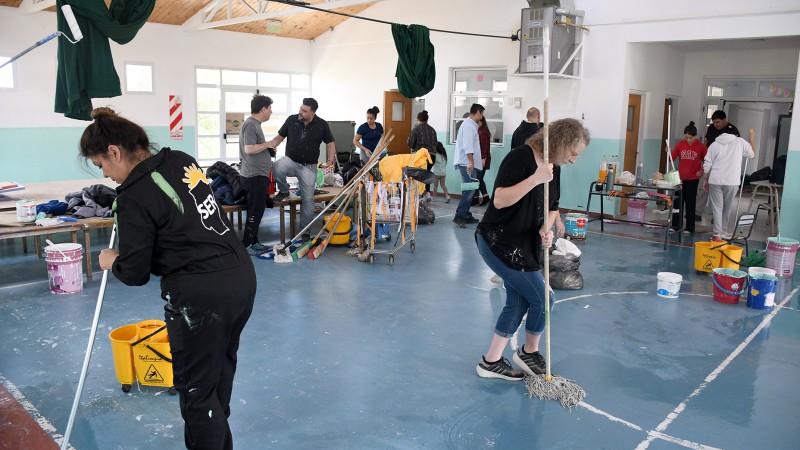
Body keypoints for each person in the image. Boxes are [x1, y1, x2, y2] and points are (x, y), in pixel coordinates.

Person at [83, 107, 256, 449]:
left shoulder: (133, 195)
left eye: (102, 165)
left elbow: (134, 273)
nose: (106, 174)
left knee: (196, 391)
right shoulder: (180, 158)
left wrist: (112, 260)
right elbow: (186, 222)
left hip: (200, 296)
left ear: (114, 152)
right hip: (240, 278)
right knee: (218, 375)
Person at [475, 118, 590, 381]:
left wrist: (546, 229)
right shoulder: (520, 158)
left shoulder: (554, 168)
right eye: (572, 154)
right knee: (543, 299)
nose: (573, 161)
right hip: (498, 240)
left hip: (525, 244)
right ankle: (528, 352)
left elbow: (552, 208)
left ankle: (491, 362)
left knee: (517, 301)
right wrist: (536, 179)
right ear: (559, 143)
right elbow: (500, 200)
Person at [268, 98, 336, 241]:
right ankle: (284, 190)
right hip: (291, 161)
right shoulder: (292, 120)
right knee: (277, 166)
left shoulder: (322, 124)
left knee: (308, 200)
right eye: (300, 108)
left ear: (312, 113)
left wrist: (331, 159)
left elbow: (330, 143)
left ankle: (305, 231)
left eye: (304, 111)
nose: (301, 111)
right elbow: (279, 137)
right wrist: (270, 145)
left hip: (309, 167)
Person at [703, 127, 756, 238]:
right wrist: (752, 139)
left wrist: (705, 179)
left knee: (717, 206)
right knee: (727, 206)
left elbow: (707, 163)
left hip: (715, 179)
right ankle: (724, 229)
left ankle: (717, 232)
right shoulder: (740, 141)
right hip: (732, 181)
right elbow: (752, 155)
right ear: (735, 134)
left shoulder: (714, 144)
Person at [239, 94, 274, 256]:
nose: (271, 112)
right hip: (254, 176)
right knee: (254, 211)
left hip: (258, 175)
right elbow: (249, 149)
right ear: (263, 109)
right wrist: (268, 144)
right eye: (270, 108)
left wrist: (267, 150)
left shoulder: (255, 125)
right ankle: (247, 244)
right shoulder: (251, 125)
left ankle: (254, 241)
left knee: (258, 210)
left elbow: (255, 147)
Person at [696, 110, 740, 221]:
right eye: (714, 122)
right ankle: (697, 212)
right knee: (703, 188)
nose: (716, 125)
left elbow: (736, 148)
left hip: (724, 166)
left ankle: (718, 217)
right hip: (710, 162)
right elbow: (706, 141)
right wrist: (703, 156)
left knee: (720, 193)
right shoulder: (711, 128)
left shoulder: (732, 131)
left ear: (724, 120)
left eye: (718, 122)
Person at [669, 121, 707, 235]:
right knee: (677, 202)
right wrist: (668, 152)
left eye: (690, 138)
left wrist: (702, 171)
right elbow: (672, 157)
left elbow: (708, 161)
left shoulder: (701, 147)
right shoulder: (680, 144)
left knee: (690, 203)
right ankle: (676, 225)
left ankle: (690, 227)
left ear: (695, 136)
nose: (688, 140)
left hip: (693, 178)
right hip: (679, 178)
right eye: (686, 137)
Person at [453, 103, 484, 227]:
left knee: (471, 189)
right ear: (477, 112)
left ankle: (465, 214)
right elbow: (468, 146)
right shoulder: (468, 127)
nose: (481, 117)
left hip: (469, 163)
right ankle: (460, 215)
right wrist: (471, 162)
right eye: (481, 114)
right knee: (469, 189)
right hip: (467, 164)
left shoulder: (471, 125)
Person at [407, 110, 438, 200]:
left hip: (420, 156)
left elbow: (410, 143)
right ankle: (428, 194)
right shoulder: (432, 130)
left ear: (418, 119)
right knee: (427, 173)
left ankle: (420, 195)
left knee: (419, 175)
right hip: (431, 156)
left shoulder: (416, 129)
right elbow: (435, 143)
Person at [473, 116, 492, 206]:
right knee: (478, 179)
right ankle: (483, 197)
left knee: (477, 179)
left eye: (477, 121)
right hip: (481, 159)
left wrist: (483, 159)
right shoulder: (481, 131)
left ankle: (478, 198)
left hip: (482, 159)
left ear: (481, 122)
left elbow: (484, 147)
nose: (476, 123)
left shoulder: (483, 132)